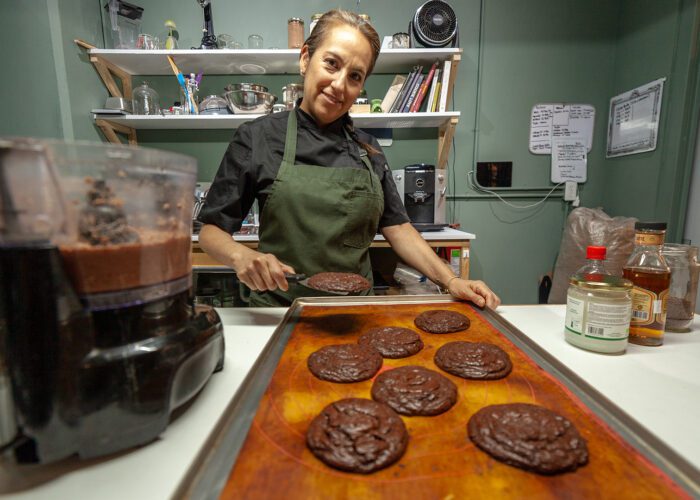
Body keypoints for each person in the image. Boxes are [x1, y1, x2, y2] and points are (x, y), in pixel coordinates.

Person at [198, 9, 500, 309]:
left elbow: (399, 229)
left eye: (355, 76)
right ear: (305, 59)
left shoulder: (369, 150)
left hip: (355, 312)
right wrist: (241, 256)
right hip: (279, 311)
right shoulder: (257, 137)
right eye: (331, 64)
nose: (340, 85)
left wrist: (451, 280)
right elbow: (211, 231)